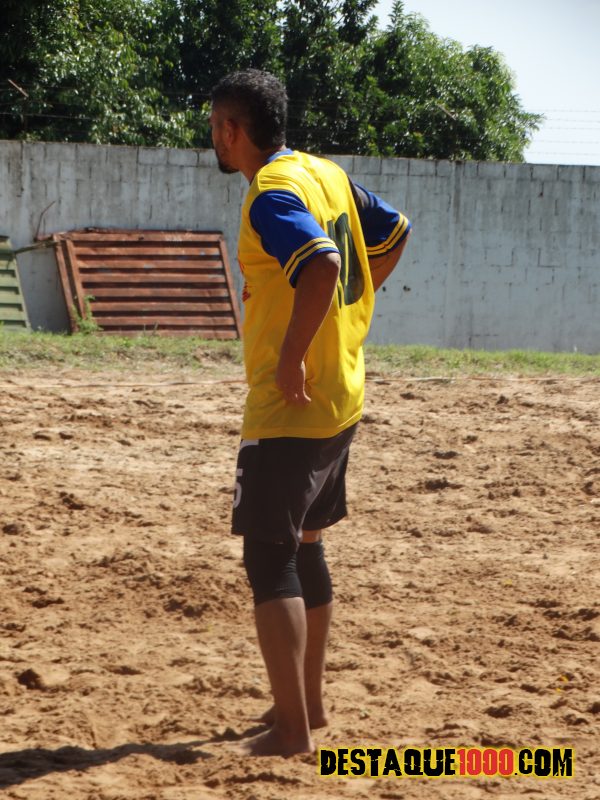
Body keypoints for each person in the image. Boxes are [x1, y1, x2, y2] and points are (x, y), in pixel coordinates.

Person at [209, 69, 411, 757]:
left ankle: (291, 731)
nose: (214, 139)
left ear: (233, 131)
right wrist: (350, 311)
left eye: (215, 128)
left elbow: (321, 264)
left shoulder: (271, 191)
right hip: (341, 397)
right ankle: (310, 709)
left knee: (270, 562)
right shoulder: (325, 173)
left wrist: (294, 354)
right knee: (306, 546)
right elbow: (394, 231)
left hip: (290, 407)